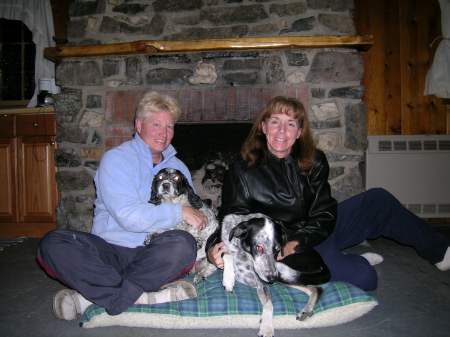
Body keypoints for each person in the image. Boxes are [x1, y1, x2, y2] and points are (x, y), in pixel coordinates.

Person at [206, 95, 450, 291]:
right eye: (275, 122)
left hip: (311, 233)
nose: (282, 130)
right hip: (284, 246)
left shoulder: (314, 160)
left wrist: (299, 240)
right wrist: (214, 246)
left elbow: (324, 211)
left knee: (378, 199)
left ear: (299, 132)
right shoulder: (242, 171)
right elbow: (230, 217)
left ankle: (441, 252)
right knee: (366, 279)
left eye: (291, 124)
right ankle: (358, 260)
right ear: (263, 127)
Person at [37, 91, 209, 320]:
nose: (164, 133)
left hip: (155, 253)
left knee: (183, 243)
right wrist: (178, 212)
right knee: (53, 243)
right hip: (111, 251)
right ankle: (145, 296)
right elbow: (128, 216)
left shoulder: (179, 168)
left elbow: (194, 217)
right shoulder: (116, 159)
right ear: (138, 125)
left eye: (169, 127)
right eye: (156, 124)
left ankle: (92, 297)